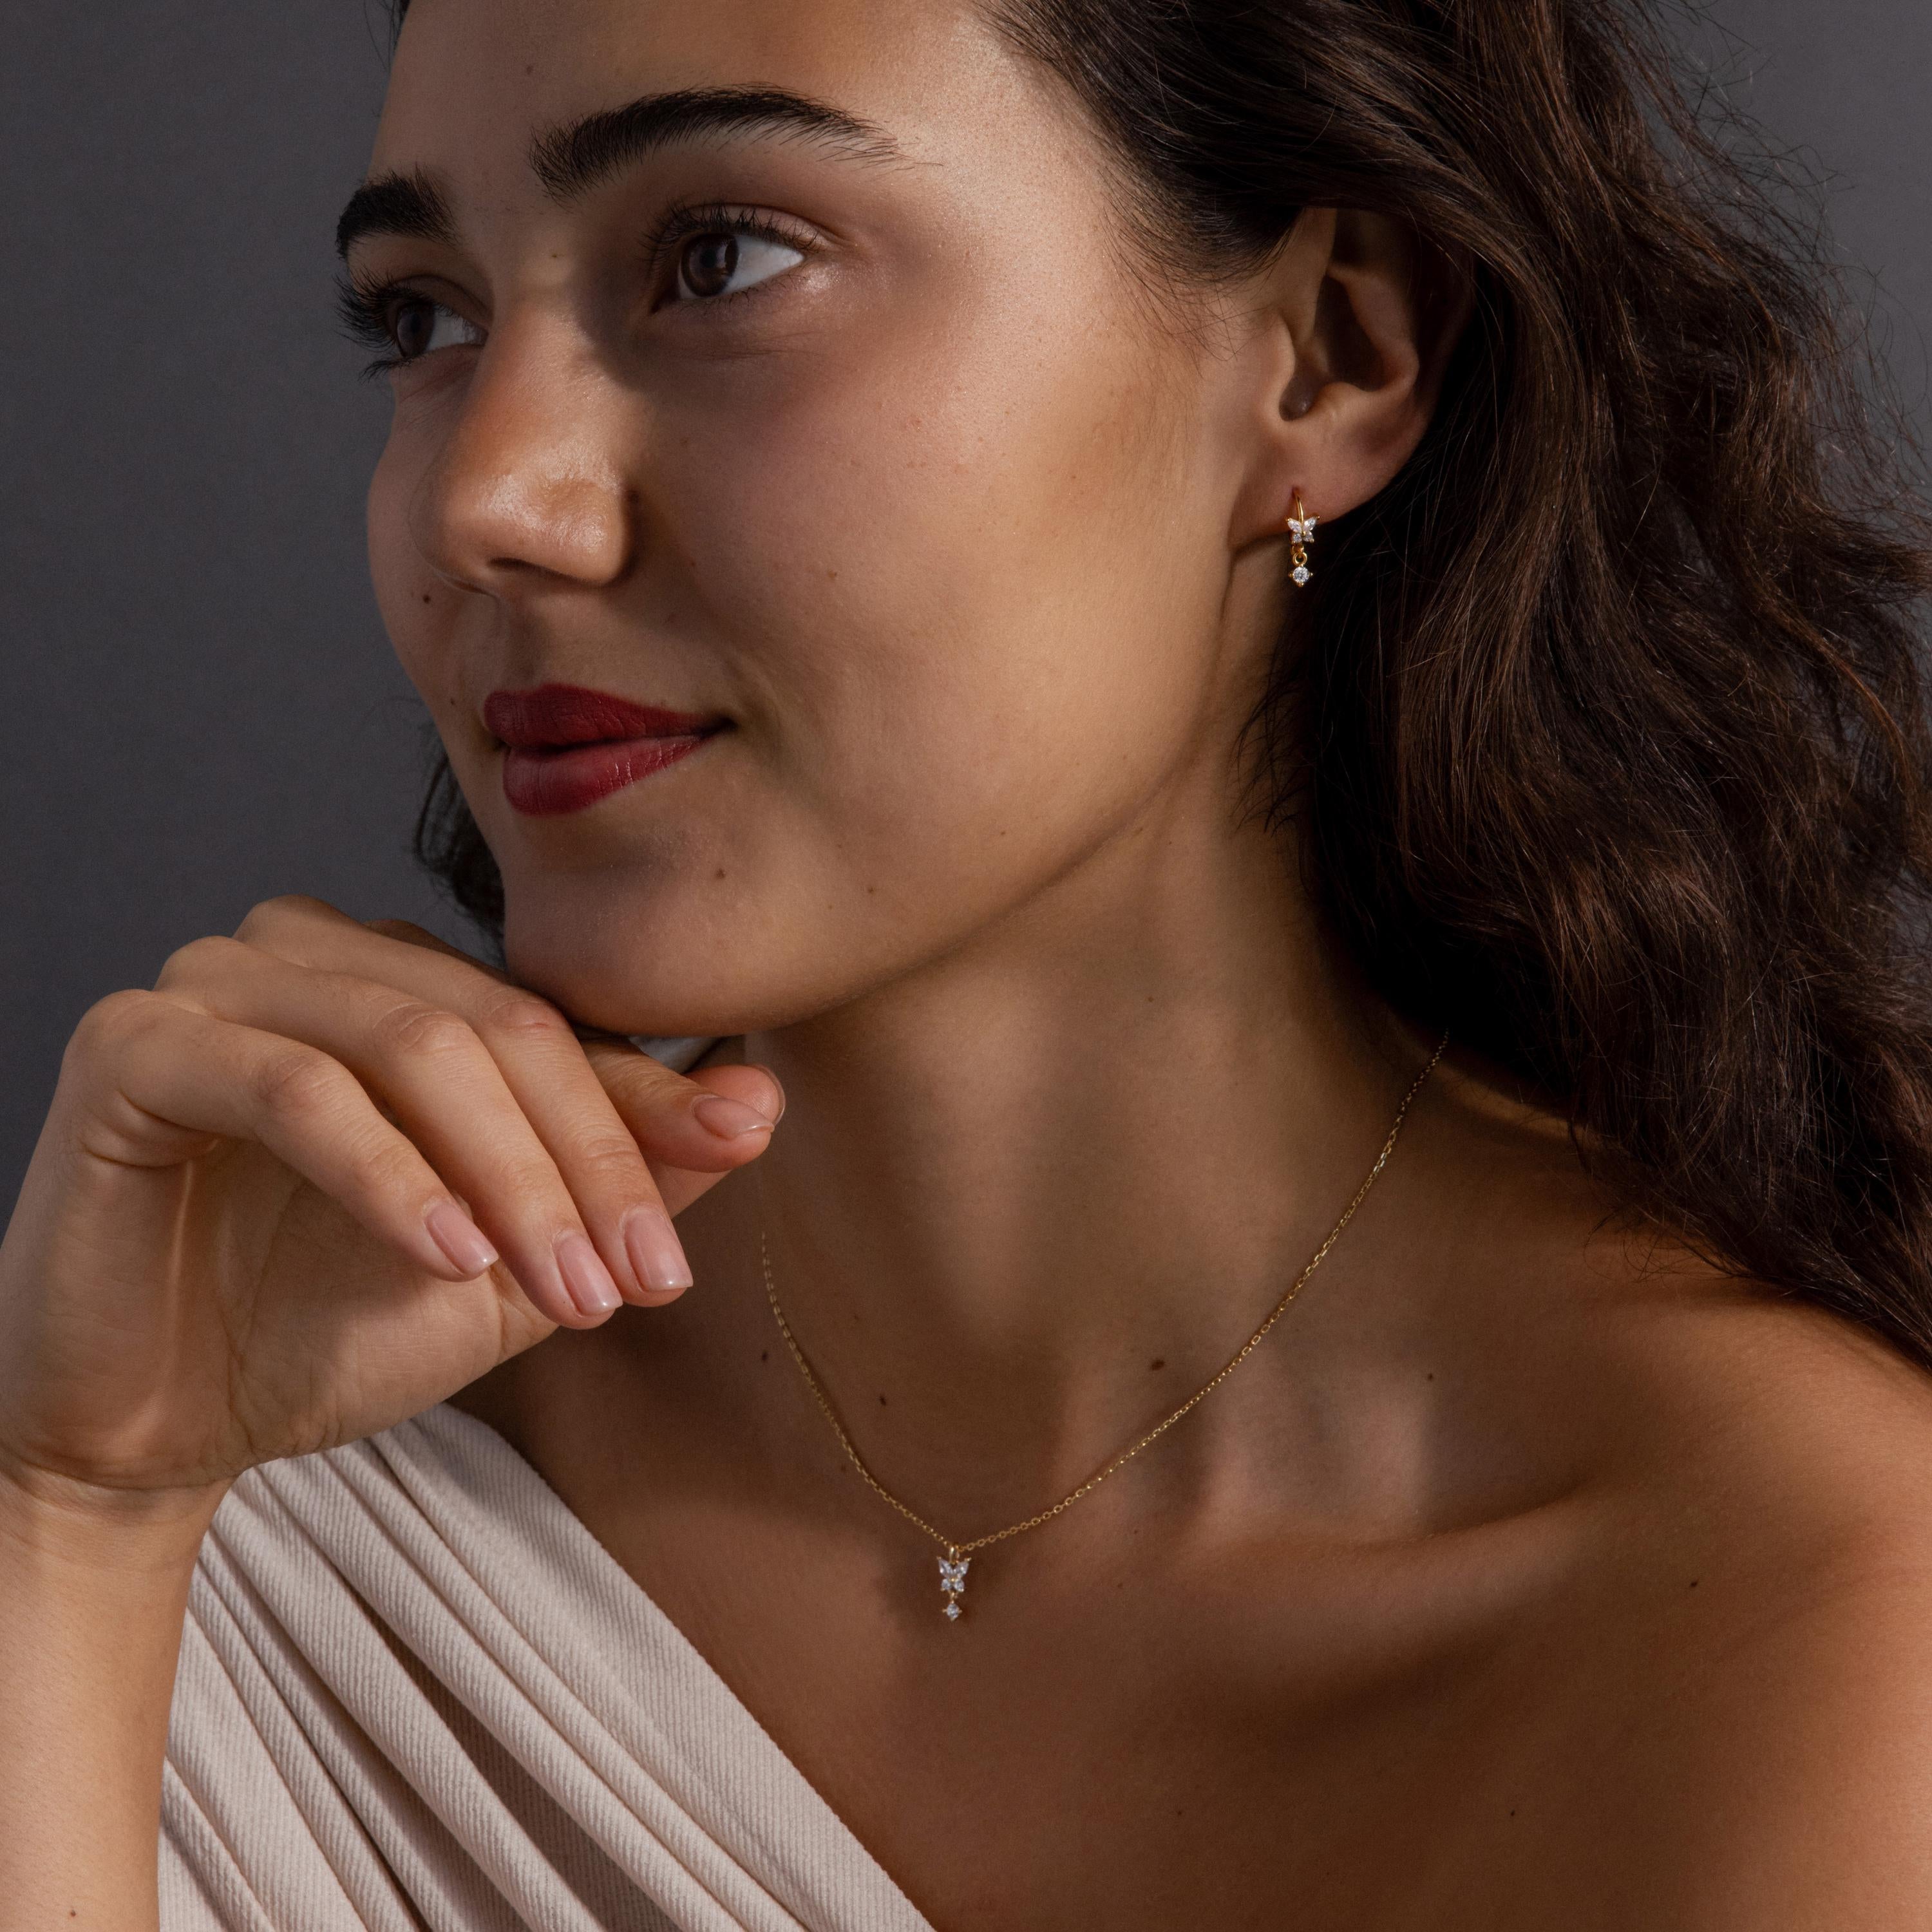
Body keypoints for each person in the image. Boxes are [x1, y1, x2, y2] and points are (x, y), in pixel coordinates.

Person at [7, 0, 1932, 1924]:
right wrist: (72, 1524)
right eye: (425, 319)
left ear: (1330, 354)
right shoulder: (231, 1477)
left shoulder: (1805, 1613)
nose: (488, 503)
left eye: (723, 260)